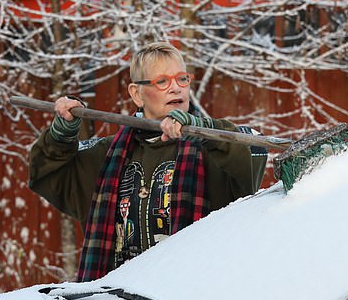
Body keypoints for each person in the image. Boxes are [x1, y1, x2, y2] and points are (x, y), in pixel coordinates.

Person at [29, 42, 266, 282]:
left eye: (182, 79)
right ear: (136, 94)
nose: (176, 89)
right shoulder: (106, 155)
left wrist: (204, 130)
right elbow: (50, 172)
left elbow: (253, 148)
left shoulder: (213, 147)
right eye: (162, 81)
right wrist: (62, 133)